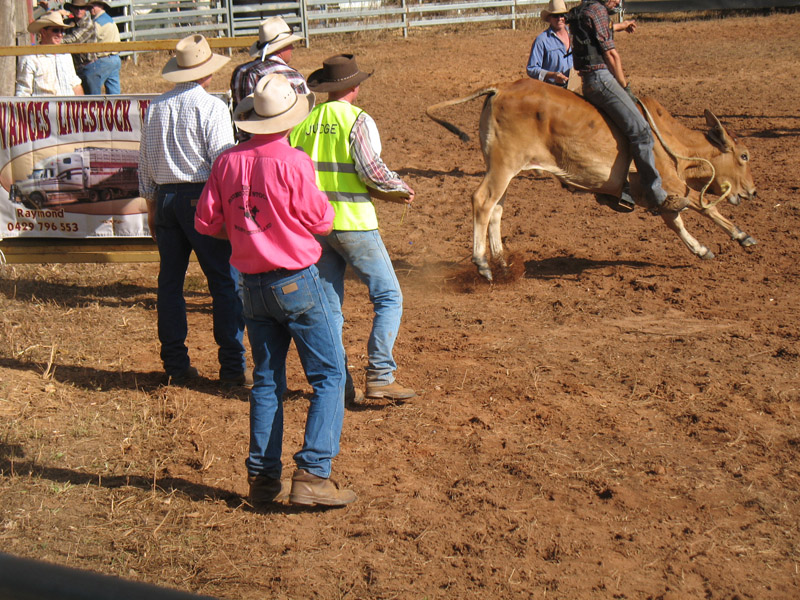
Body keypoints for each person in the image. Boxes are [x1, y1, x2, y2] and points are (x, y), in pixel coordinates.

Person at [195, 74, 356, 507]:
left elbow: (207, 223)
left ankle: (263, 479)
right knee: (329, 375)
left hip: (251, 285)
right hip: (297, 278)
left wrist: (247, 230)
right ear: (288, 118)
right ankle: (312, 473)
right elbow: (321, 220)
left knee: (266, 382)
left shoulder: (226, 163)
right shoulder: (294, 161)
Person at [289, 54, 416, 403]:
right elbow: (371, 171)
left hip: (316, 227)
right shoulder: (356, 120)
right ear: (354, 87)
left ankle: (339, 384)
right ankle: (380, 374)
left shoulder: (304, 123)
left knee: (330, 308)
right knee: (388, 296)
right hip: (354, 222)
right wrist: (400, 187)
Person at [138, 34, 247, 387]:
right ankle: (232, 367)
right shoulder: (212, 107)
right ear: (207, 71)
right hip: (200, 197)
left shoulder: (156, 107)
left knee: (170, 283)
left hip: (166, 198)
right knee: (223, 282)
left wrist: (152, 206)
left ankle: (175, 363)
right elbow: (222, 162)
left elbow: (145, 164)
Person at [569, 0, 688, 214]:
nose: (617, 1)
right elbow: (611, 54)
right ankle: (656, 195)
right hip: (602, 79)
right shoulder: (598, 10)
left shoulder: (584, 10)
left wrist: (621, 26)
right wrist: (625, 87)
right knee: (642, 132)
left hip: (586, 81)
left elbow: (597, 31)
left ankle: (616, 188)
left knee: (619, 132)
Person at [229, 16, 308, 141]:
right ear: (281, 48)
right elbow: (303, 119)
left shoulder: (240, 72)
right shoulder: (294, 78)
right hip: (281, 147)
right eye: (289, 44)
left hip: (246, 145)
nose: (292, 48)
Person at [16, 11, 84, 97]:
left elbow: (75, 85)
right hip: (43, 109)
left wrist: (80, 106)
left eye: (62, 31)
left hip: (68, 108)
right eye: (55, 30)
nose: (60, 34)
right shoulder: (30, 58)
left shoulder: (65, 55)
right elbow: (23, 92)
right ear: (43, 32)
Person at [526, 0, 573, 87]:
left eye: (562, 15)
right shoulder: (542, 40)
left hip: (575, 86)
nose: (559, 19)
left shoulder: (575, 35)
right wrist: (552, 75)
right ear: (549, 18)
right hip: (552, 89)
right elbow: (531, 69)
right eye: (555, 16)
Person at [61, 0, 100, 94]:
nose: (79, 10)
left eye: (82, 8)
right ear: (71, 9)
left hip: (89, 66)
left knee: (93, 100)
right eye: (76, 8)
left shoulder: (88, 24)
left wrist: (56, 40)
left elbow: (75, 40)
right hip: (75, 68)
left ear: (86, 9)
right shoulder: (68, 23)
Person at [86, 1, 122, 94]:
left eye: (94, 5)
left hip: (103, 60)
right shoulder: (109, 19)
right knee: (114, 93)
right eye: (90, 6)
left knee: (92, 90)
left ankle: (94, 106)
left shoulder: (97, 23)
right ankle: (116, 107)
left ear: (101, 6)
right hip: (115, 58)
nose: (91, 8)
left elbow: (88, 39)